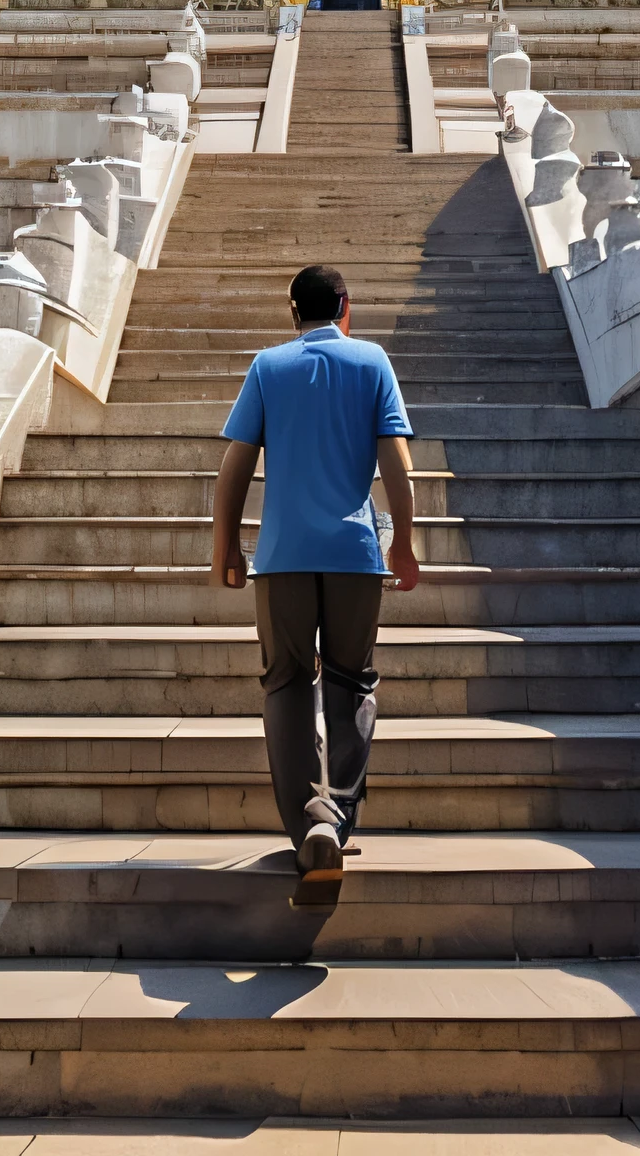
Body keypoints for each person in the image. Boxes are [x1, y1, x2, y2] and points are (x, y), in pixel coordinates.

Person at [209, 260, 419, 882]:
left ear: (292, 313)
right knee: (351, 683)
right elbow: (397, 466)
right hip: (355, 555)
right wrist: (402, 544)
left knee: (287, 685)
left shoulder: (268, 367)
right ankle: (340, 817)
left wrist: (225, 547)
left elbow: (234, 467)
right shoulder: (373, 362)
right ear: (346, 308)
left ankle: (309, 824)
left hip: (283, 560)